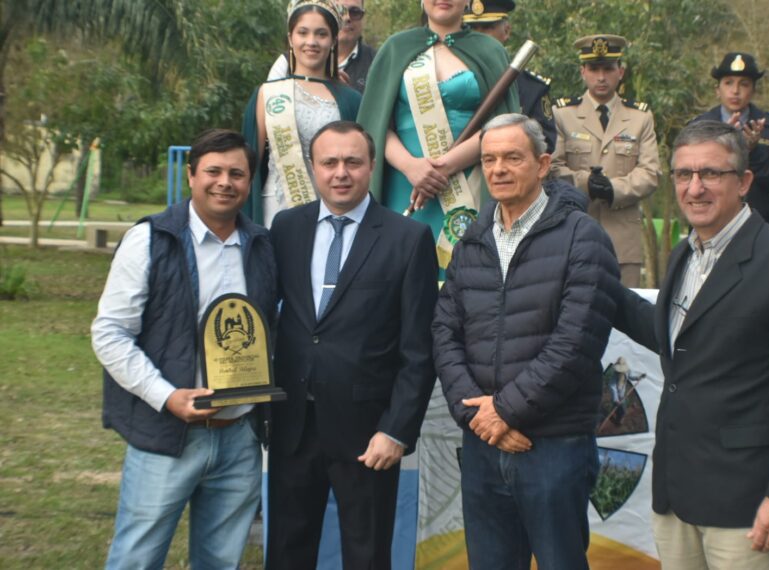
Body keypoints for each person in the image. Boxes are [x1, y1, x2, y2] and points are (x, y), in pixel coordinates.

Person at [615, 120, 769, 569]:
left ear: (744, 182)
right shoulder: (683, 254)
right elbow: (679, 342)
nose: (695, 188)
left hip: (746, 504)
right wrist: (596, 284)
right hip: (676, 497)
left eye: (711, 174)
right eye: (684, 174)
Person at [433, 113, 621, 569]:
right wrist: (477, 415)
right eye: (489, 159)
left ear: (542, 164)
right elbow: (443, 332)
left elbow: (576, 344)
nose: (498, 169)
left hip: (553, 447)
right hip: (482, 443)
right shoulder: (472, 241)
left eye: (512, 158)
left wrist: (506, 411)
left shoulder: (583, 237)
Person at [92, 129, 277, 569]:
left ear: (250, 183)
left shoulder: (263, 247)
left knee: (220, 562)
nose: (224, 182)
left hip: (239, 436)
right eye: (213, 171)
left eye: (237, 173)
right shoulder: (152, 240)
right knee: (137, 558)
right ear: (191, 175)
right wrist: (167, 396)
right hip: (167, 436)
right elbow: (110, 333)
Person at [266, 121, 438, 569]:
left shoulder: (408, 239)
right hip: (292, 426)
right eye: (329, 162)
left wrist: (397, 429)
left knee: (366, 555)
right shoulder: (285, 228)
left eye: (352, 162)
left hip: (369, 433)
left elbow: (419, 350)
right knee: (286, 550)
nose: (341, 172)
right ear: (313, 168)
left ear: (371, 166)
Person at [357, 0, 519, 272]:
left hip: (470, 180)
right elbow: (374, 124)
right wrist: (412, 167)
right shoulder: (395, 48)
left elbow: (503, 125)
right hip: (405, 183)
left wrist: (445, 166)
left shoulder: (490, 50)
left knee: (470, 271)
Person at [550, 34, 660, 287]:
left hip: (622, 240)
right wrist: (585, 183)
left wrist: (614, 189)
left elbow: (651, 172)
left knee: (624, 315)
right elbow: (552, 168)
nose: (601, 77)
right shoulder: (562, 115)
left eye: (608, 69)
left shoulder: (640, 118)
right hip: (572, 233)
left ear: (620, 71)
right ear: (582, 72)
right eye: (594, 69)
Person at [242, 0, 361, 227]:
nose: (311, 42)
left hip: (332, 214)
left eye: (321, 34)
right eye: (303, 33)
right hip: (275, 213)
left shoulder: (350, 100)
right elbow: (249, 166)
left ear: (334, 40)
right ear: (290, 38)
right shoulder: (267, 94)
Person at [691, 52, 769, 224]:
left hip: (757, 221)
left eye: (744, 84)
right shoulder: (699, 127)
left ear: (753, 90)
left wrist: (753, 150)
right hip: (710, 220)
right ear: (717, 90)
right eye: (728, 83)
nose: (735, 91)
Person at [463, 0, 556, 152]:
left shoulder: (532, 88)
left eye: (487, 28)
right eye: (471, 28)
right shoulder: (446, 81)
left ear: (506, 31)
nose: (478, 37)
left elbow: (545, 143)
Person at [267, 0, 377, 94]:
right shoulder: (285, 64)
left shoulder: (377, 63)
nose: (347, 18)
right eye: (339, 10)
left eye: (355, 12)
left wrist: (346, 97)